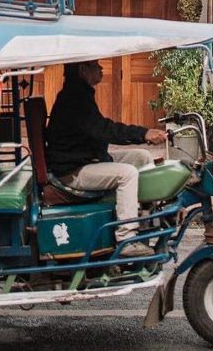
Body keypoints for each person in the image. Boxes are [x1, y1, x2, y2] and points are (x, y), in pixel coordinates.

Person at [45, 60, 167, 258]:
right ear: (82, 70)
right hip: (73, 170)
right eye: (96, 66)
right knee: (127, 173)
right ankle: (126, 239)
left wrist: (142, 136)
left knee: (141, 156)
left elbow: (100, 129)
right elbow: (104, 130)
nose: (101, 69)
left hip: (86, 158)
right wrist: (143, 134)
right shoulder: (73, 99)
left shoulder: (80, 94)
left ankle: (142, 215)